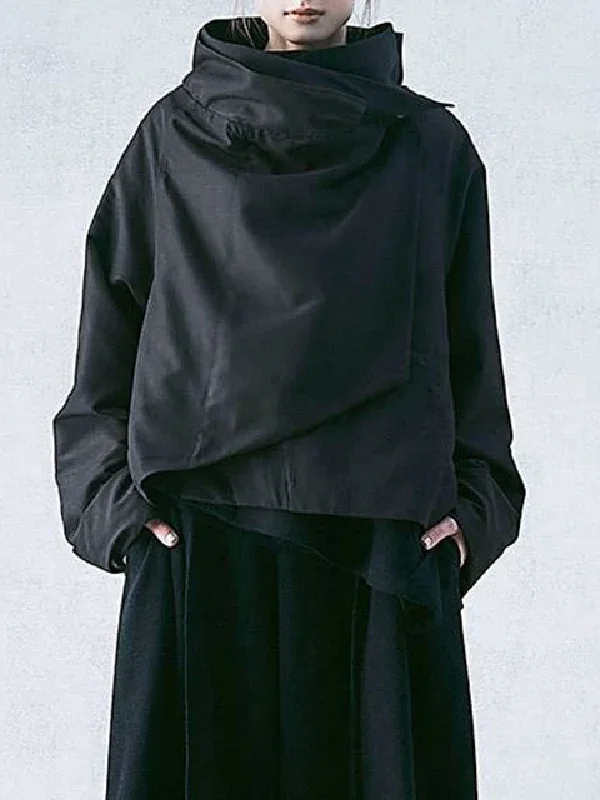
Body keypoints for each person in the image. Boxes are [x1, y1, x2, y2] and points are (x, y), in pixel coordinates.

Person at [52, 1, 526, 797]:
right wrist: (115, 510)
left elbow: (471, 352)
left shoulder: (430, 147)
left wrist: (473, 518)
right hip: (200, 542)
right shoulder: (174, 135)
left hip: (381, 546)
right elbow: (107, 344)